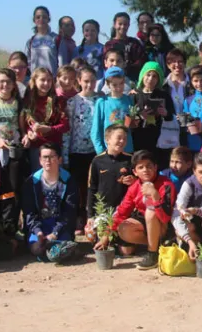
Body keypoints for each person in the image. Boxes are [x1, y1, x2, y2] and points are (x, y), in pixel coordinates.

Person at [99, 150, 176, 269]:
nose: (145, 170)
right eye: (141, 167)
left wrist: (155, 196)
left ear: (155, 167)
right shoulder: (134, 187)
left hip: (164, 224)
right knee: (123, 228)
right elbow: (122, 212)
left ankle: (152, 254)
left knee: (151, 212)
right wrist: (106, 235)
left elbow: (166, 217)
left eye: (149, 166)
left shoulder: (166, 184)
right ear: (135, 171)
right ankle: (160, 245)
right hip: (144, 220)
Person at [21, 143, 79, 261]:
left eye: (52, 157)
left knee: (57, 252)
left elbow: (70, 212)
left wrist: (55, 233)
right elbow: (29, 211)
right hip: (40, 225)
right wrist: (38, 232)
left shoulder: (69, 180)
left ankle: (62, 248)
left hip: (60, 225)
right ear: (40, 160)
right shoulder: (31, 182)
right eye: (44, 157)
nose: (48, 161)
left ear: (59, 160)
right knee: (37, 249)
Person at [63, 67, 99, 233]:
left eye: (92, 81)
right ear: (78, 81)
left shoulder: (100, 101)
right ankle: (78, 217)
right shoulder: (72, 102)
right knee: (78, 186)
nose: (89, 84)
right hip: (76, 151)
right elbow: (67, 130)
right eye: (85, 81)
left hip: (95, 151)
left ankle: (92, 217)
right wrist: (65, 154)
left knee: (93, 186)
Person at [85, 125, 134, 238]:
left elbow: (139, 185)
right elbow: (92, 188)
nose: (122, 141)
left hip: (124, 210)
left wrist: (133, 181)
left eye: (125, 138)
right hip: (103, 210)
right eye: (119, 138)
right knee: (92, 236)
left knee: (126, 250)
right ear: (107, 139)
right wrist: (90, 216)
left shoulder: (130, 160)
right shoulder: (97, 161)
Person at [20, 68, 70, 173]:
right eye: (42, 80)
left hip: (53, 147)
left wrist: (49, 129)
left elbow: (65, 126)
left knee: (54, 179)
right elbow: (25, 124)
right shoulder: (28, 101)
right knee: (37, 179)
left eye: (49, 80)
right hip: (36, 147)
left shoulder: (58, 101)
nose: (46, 83)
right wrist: (28, 133)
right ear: (35, 81)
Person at [133, 61, 175, 166]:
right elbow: (129, 118)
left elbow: (171, 116)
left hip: (159, 138)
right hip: (138, 138)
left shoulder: (163, 95)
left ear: (159, 79)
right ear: (142, 75)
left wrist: (165, 113)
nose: (150, 79)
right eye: (148, 75)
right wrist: (140, 116)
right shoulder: (135, 95)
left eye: (154, 76)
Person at [91, 67, 136, 155]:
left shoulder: (129, 100)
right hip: (109, 151)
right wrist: (100, 151)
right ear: (108, 84)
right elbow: (95, 130)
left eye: (121, 83)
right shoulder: (102, 102)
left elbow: (132, 124)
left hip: (127, 150)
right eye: (114, 85)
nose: (119, 87)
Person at [103, 12, 146, 82]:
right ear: (114, 25)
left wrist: (127, 68)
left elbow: (141, 61)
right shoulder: (109, 45)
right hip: (112, 79)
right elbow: (105, 63)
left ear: (128, 25)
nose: (122, 27)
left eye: (125, 24)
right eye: (120, 24)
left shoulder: (134, 43)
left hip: (132, 80)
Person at [183, 66, 202, 151]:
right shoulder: (188, 100)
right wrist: (186, 124)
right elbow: (186, 119)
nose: (199, 84)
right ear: (191, 81)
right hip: (193, 140)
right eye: (195, 81)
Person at [163, 48, 189, 148]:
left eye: (180, 61)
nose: (177, 65)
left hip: (188, 130)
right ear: (168, 65)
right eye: (173, 61)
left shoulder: (192, 85)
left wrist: (185, 120)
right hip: (168, 129)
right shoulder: (163, 85)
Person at [25, 6, 59, 75]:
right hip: (35, 81)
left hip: (51, 81)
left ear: (48, 19)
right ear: (34, 20)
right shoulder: (30, 41)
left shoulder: (57, 39)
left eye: (44, 17)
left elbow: (62, 63)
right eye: (38, 17)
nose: (41, 19)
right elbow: (27, 63)